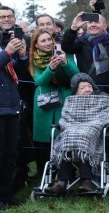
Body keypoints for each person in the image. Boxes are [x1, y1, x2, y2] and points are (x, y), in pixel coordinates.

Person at [46, 73, 109, 194]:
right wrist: (72, 127)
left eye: (89, 86)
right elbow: (65, 119)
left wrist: (93, 125)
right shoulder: (70, 101)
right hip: (72, 128)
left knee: (84, 135)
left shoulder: (103, 99)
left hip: (94, 130)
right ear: (76, 92)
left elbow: (107, 117)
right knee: (68, 136)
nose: (87, 89)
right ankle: (62, 182)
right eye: (82, 88)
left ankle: (86, 181)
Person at [29, 29, 79, 176]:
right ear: (36, 45)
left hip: (65, 100)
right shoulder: (33, 60)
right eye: (42, 41)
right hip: (45, 103)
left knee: (65, 138)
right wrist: (51, 68)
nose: (47, 43)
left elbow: (77, 76)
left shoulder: (63, 52)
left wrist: (65, 63)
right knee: (46, 142)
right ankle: (47, 176)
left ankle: (66, 176)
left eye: (49, 39)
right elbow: (40, 81)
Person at [0, 21, 26, 208]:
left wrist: (22, 56)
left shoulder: (4, 45)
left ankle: (6, 194)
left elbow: (18, 72)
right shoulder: (4, 50)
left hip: (11, 106)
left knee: (10, 154)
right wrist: (7, 52)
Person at [61, 10, 109, 96]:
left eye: (97, 22)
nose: (93, 24)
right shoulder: (81, 42)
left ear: (105, 26)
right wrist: (73, 28)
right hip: (87, 91)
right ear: (86, 25)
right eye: (90, 22)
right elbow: (66, 47)